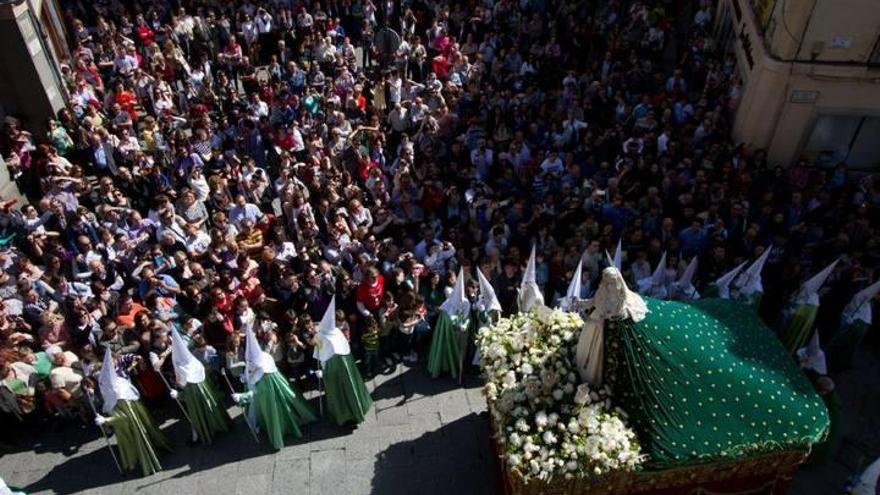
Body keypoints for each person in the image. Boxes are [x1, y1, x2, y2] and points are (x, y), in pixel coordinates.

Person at [232, 325, 316, 450]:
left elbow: (256, 392)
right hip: (278, 388)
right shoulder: (265, 358)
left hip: (268, 397)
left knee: (273, 413)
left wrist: (242, 396)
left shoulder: (262, 374)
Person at [92, 348, 171, 477]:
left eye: (114, 360)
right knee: (130, 429)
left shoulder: (119, 362)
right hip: (119, 403)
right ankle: (139, 454)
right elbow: (99, 387)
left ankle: (152, 446)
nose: (113, 362)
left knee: (143, 423)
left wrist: (138, 361)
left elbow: (134, 356)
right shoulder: (101, 374)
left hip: (130, 398)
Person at [313, 296, 372, 426]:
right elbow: (321, 352)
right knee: (342, 391)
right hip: (337, 366)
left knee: (343, 390)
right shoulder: (327, 335)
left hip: (338, 366)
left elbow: (325, 351)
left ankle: (349, 413)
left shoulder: (330, 334)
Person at [166, 328, 230, 445]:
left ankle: (206, 431)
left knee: (201, 414)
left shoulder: (189, 368)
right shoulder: (195, 361)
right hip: (207, 390)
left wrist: (178, 395)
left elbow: (188, 394)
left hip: (198, 397)